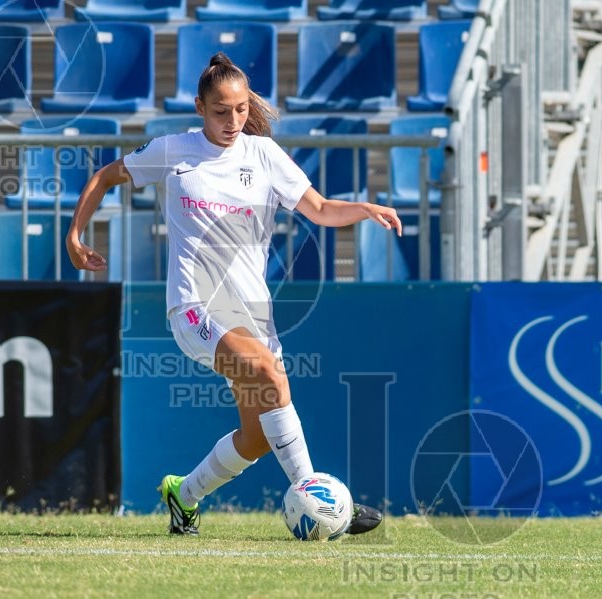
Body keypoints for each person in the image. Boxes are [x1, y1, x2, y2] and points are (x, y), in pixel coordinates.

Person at [67, 53, 401, 536]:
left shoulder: (263, 155)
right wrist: (76, 235)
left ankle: (183, 495)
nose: (233, 120)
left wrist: (365, 208)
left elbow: (323, 210)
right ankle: (319, 499)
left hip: (251, 315)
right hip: (194, 308)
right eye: (222, 111)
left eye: (241, 109)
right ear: (201, 107)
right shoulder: (172, 150)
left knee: (258, 437)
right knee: (266, 370)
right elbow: (104, 177)